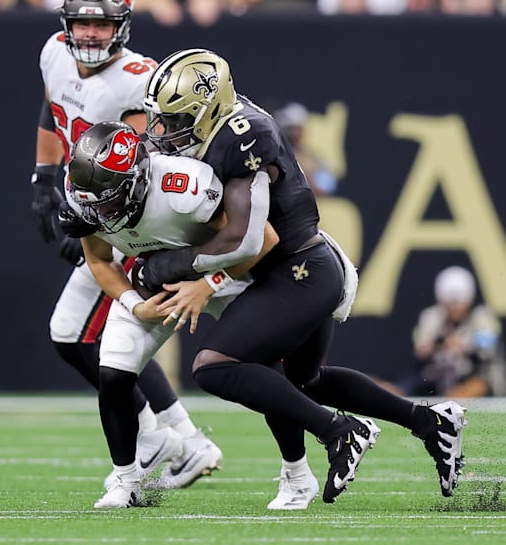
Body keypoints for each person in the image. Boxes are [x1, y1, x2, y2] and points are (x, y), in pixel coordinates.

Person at [136, 48, 468, 506]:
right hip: (300, 268)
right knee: (304, 380)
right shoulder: (221, 125)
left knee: (213, 367)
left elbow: (247, 240)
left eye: (176, 120)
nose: (165, 133)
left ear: (209, 109)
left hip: (297, 270)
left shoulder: (242, 137)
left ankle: (339, 432)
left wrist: (175, 271)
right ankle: (430, 422)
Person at [30, 0, 219, 489]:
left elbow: (140, 168)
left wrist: (94, 220)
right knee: (78, 335)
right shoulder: (54, 52)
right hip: (93, 205)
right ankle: (182, 440)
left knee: (73, 334)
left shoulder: (140, 79)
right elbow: (54, 111)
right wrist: (46, 177)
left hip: (129, 222)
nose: (89, 34)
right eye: (82, 23)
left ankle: (161, 437)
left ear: (123, 26)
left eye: (102, 23)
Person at [63, 121, 279, 508]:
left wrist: (207, 282)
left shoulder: (184, 185)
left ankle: (297, 471)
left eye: (109, 200)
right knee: (113, 371)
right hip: (154, 280)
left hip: (222, 275)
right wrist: (134, 303)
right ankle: (127, 481)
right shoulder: (88, 198)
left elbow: (254, 239)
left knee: (279, 373)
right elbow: (98, 259)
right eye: (93, 202)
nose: (101, 212)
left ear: (138, 179)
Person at [401, 266, 506, 398]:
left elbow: (487, 346)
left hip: (476, 380)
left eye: (459, 302)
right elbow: (421, 350)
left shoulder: (482, 317)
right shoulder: (432, 317)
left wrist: (464, 346)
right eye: (450, 303)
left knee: (478, 383)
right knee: (412, 384)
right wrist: (440, 344)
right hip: (439, 382)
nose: (455, 308)